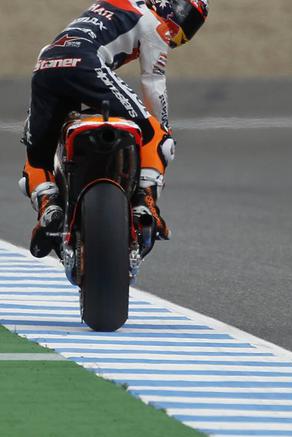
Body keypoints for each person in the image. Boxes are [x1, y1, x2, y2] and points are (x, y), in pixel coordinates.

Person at [19, 0, 208, 258]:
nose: (183, 28)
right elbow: (153, 82)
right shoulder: (153, 21)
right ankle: (145, 203)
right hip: (85, 63)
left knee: (37, 155)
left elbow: (58, 47)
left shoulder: (112, 6)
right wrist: (162, 127)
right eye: (186, 16)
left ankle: (48, 205)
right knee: (158, 138)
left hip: (45, 65)